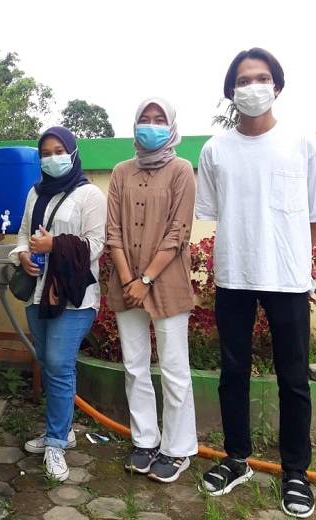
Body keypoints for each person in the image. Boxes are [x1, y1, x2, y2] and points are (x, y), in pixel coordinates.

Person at [196, 48, 316, 518]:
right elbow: (214, 213)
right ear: (231, 91)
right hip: (234, 275)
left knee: (293, 377)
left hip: (287, 279)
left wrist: (291, 256)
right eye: (244, 80)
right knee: (233, 372)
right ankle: (236, 459)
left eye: (262, 77)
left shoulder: (304, 143)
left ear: (278, 86)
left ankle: (295, 471)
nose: (253, 86)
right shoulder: (215, 150)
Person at [106, 98, 197, 483]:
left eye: (160, 119)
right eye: (145, 118)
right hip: (127, 283)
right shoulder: (120, 172)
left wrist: (145, 281)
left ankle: (178, 449)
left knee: (174, 369)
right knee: (135, 366)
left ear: (171, 126)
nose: (152, 125)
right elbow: (113, 231)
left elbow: (179, 232)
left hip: (167, 282)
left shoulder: (182, 170)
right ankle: (145, 441)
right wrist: (130, 280)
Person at [10, 126, 106, 481]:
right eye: (46, 153)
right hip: (38, 292)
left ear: (73, 152)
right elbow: (23, 234)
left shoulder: (89, 194)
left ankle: (55, 443)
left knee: (59, 364)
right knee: (49, 365)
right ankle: (62, 430)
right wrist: (23, 255)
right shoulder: (35, 193)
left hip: (73, 296)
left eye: (59, 151)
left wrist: (56, 245)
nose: (52, 158)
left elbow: (97, 245)